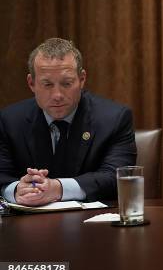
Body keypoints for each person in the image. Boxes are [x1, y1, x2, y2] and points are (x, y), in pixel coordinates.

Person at [0, 38, 136, 206]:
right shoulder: (9, 120)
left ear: (82, 79)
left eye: (66, 83)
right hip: (28, 227)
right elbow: (2, 175)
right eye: (47, 84)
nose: (57, 95)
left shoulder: (114, 118)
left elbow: (117, 177)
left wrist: (58, 188)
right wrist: (16, 190)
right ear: (31, 83)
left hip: (92, 226)